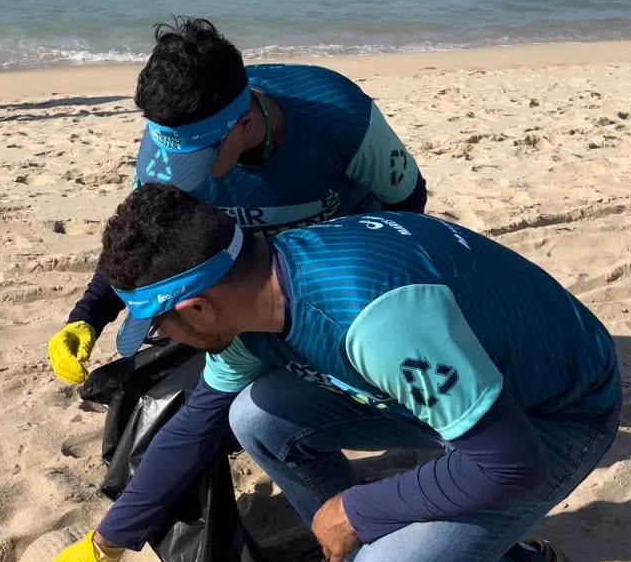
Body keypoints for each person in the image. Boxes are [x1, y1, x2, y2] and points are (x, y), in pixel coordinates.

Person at [43, 186, 621, 562]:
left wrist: (356, 508)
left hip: (552, 413)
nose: (159, 339)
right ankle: (361, 545)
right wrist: (107, 541)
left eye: (158, 327)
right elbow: (196, 425)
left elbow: (508, 462)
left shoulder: (373, 320)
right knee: (254, 416)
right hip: (466, 383)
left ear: (196, 309)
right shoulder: (254, 286)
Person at [48, 19, 426, 385]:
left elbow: (407, 203)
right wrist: (87, 318)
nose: (178, 177)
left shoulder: (341, 115)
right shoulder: (162, 156)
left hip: (344, 263)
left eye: (199, 159)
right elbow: (144, 247)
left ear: (244, 122)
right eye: (176, 156)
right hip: (243, 279)